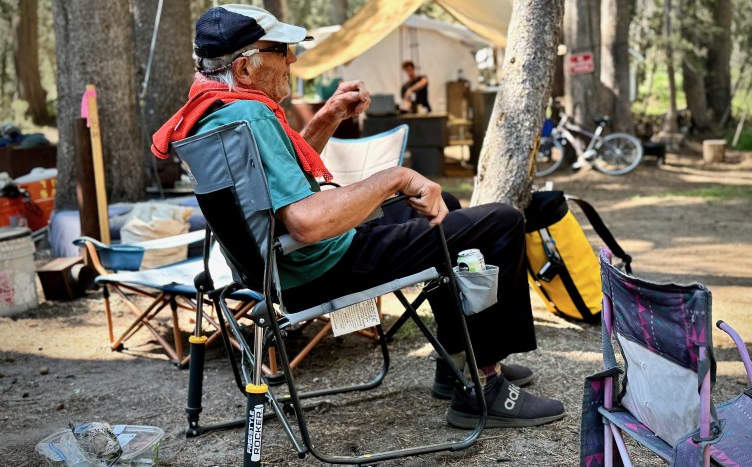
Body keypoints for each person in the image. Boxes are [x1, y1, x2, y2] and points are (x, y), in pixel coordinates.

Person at [152, 4, 564, 429]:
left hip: (281, 266)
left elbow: (280, 178)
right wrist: (394, 177)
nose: (293, 58)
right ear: (243, 68)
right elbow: (307, 223)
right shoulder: (249, 114)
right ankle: (483, 387)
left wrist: (328, 116)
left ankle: (458, 362)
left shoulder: (213, 111)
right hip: (321, 266)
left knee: (447, 209)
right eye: (281, 50)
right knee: (500, 221)